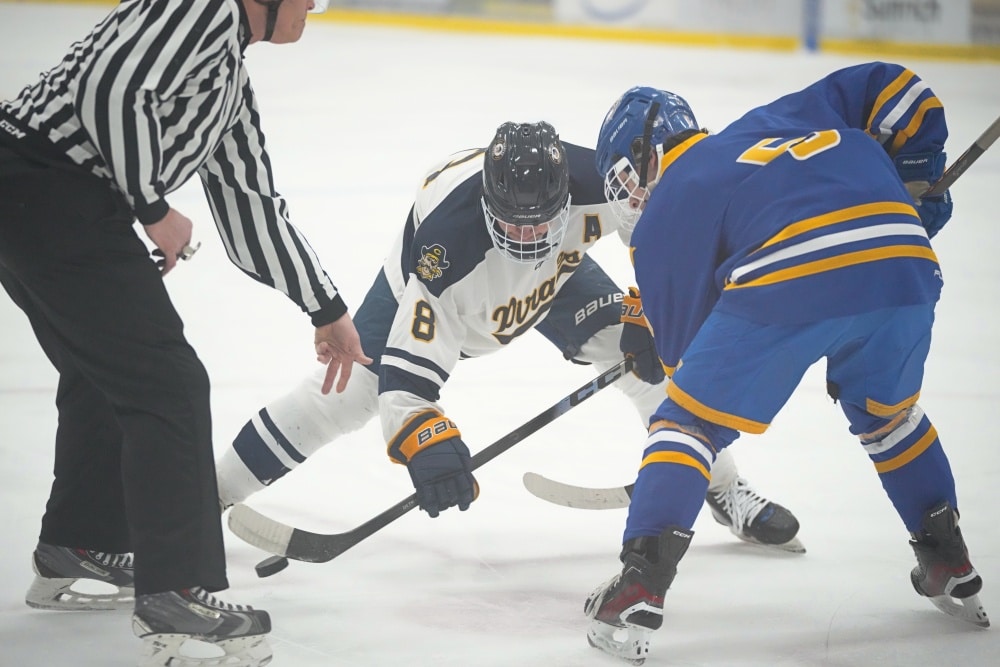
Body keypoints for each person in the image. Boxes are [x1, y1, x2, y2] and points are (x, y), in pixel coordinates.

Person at [215, 119, 804, 554]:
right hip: (453, 288)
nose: (526, 235)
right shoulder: (446, 253)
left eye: (539, 220)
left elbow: (663, 234)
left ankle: (723, 485)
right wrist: (427, 444)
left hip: (559, 279)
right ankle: (203, 498)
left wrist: (651, 315)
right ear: (488, 204)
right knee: (343, 397)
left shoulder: (597, 178)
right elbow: (406, 383)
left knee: (656, 367)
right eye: (512, 221)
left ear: (565, 196)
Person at [0, 1, 366, 665]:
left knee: (106, 369)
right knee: (168, 383)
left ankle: (76, 542)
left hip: (39, 193)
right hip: (44, 187)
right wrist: (153, 207)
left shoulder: (228, 77)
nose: (315, 4)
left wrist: (326, 308)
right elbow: (111, 87)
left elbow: (252, 208)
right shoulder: (204, 8)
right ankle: (174, 592)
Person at [583, 62, 987, 664]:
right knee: (889, 417)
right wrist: (916, 177)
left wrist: (667, 373)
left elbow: (684, 364)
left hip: (793, 275)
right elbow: (897, 90)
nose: (627, 199)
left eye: (622, 178)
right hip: (903, 261)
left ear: (643, 156)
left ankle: (642, 581)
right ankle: (947, 559)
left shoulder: (664, 213)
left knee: (685, 424)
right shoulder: (784, 116)